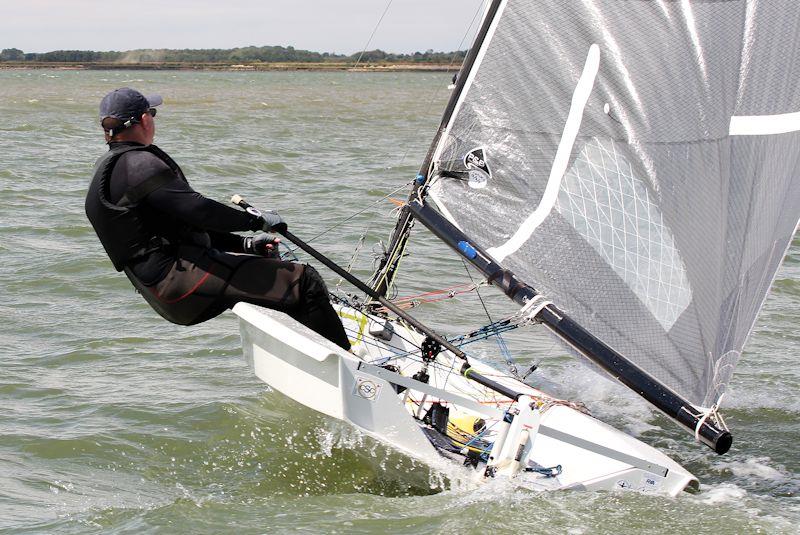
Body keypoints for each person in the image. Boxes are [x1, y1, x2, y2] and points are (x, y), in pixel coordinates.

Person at [85, 87, 350, 350]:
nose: (153, 119)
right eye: (152, 113)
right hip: (177, 283)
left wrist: (245, 245)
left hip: (160, 290)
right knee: (305, 281)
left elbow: (179, 227)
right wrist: (257, 221)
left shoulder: (108, 168)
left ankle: (310, 356)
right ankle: (353, 370)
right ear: (144, 119)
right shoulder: (139, 164)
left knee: (276, 283)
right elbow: (200, 211)